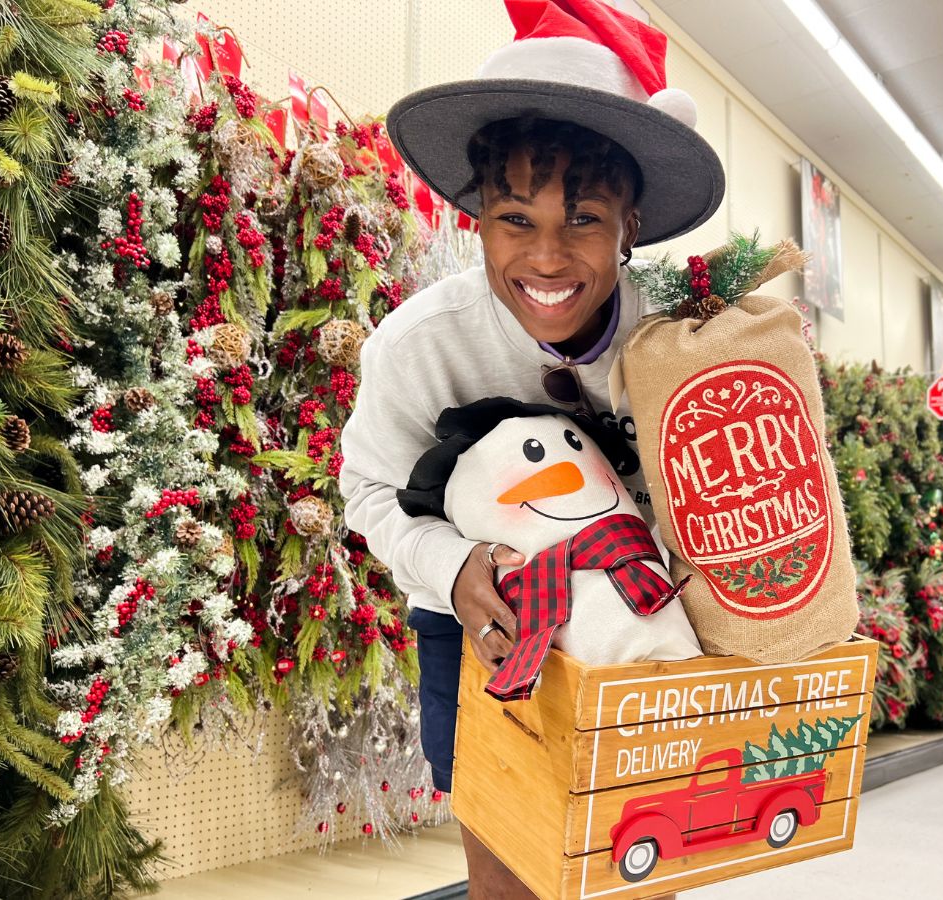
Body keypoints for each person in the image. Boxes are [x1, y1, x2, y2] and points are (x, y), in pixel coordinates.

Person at [339, 2, 724, 896]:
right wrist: (454, 565)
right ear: (477, 218)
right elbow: (367, 490)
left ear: (630, 221)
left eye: (583, 219)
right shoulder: (422, 345)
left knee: (648, 844)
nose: (547, 258)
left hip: (644, 613)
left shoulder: (681, 334)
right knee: (508, 853)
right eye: (517, 219)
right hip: (485, 619)